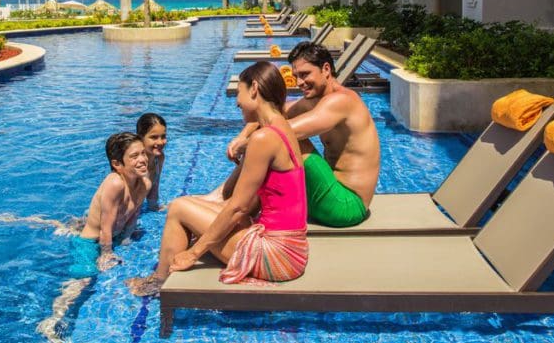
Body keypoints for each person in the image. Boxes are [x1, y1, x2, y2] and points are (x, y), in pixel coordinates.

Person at [127, 61, 308, 296]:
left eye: (239, 93)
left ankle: (159, 282)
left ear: (254, 89)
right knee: (194, 205)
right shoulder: (282, 127)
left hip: (277, 257)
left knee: (179, 208)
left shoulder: (264, 138)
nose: (237, 102)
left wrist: (193, 254)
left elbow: (238, 208)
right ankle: (161, 278)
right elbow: (245, 199)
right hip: (292, 247)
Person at [0, 132, 150, 343]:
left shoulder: (144, 183)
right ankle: (52, 322)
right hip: (89, 242)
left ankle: (24, 220)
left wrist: (128, 238)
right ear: (117, 164)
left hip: (112, 235)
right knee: (83, 279)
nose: (142, 159)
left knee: (64, 227)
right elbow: (105, 225)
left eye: (142, 153)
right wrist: (106, 252)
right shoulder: (115, 183)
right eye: (134, 156)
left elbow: (133, 215)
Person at [222, 41, 380, 228]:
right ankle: (231, 201)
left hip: (347, 207)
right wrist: (242, 135)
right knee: (273, 129)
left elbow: (278, 133)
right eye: (296, 76)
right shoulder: (316, 99)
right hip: (325, 195)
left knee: (284, 140)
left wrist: (245, 144)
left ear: (326, 69)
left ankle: (230, 202)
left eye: (305, 75)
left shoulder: (342, 101)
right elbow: (270, 112)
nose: (299, 82)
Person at [136, 113, 168, 210]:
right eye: (154, 137)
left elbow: (154, 187)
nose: (160, 142)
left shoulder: (159, 158)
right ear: (141, 137)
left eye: (163, 136)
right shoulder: (135, 163)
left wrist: (153, 207)